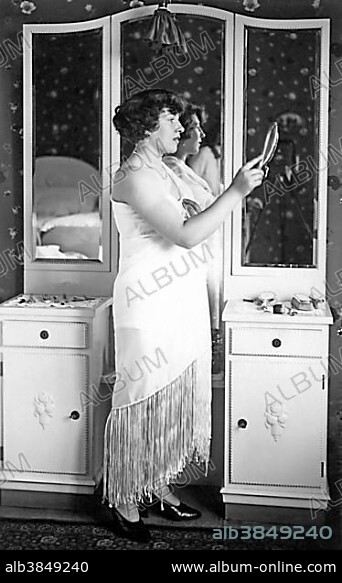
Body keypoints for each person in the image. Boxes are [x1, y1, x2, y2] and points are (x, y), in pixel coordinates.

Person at [102, 88, 263, 542]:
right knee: (141, 396)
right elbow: (188, 234)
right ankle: (121, 496)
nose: (182, 128)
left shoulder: (169, 169)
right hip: (148, 301)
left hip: (180, 297)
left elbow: (200, 207)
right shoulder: (134, 176)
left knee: (171, 395)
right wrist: (236, 191)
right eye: (173, 121)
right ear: (149, 125)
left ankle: (154, 484)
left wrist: (229, 188)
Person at [163, 102, 221, 330]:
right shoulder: (173, 170)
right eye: (195, 127)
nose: (202, 134)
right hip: (194, 254)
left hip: (207, 252)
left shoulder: (184, 168)